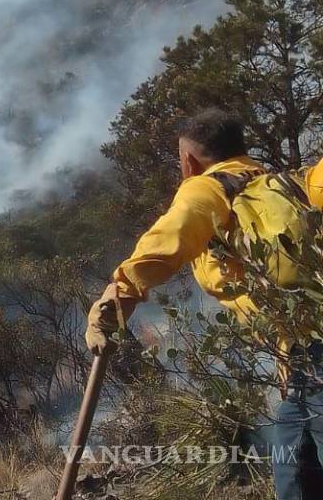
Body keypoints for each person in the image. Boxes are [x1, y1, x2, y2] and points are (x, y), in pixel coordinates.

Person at [85, 108, 323, 500]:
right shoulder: (289, 183)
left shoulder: (206, 188)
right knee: (293, 465)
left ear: (189, 161)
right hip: (301, 364)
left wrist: (116, 298)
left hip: (314, 357)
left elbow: (167, 242)